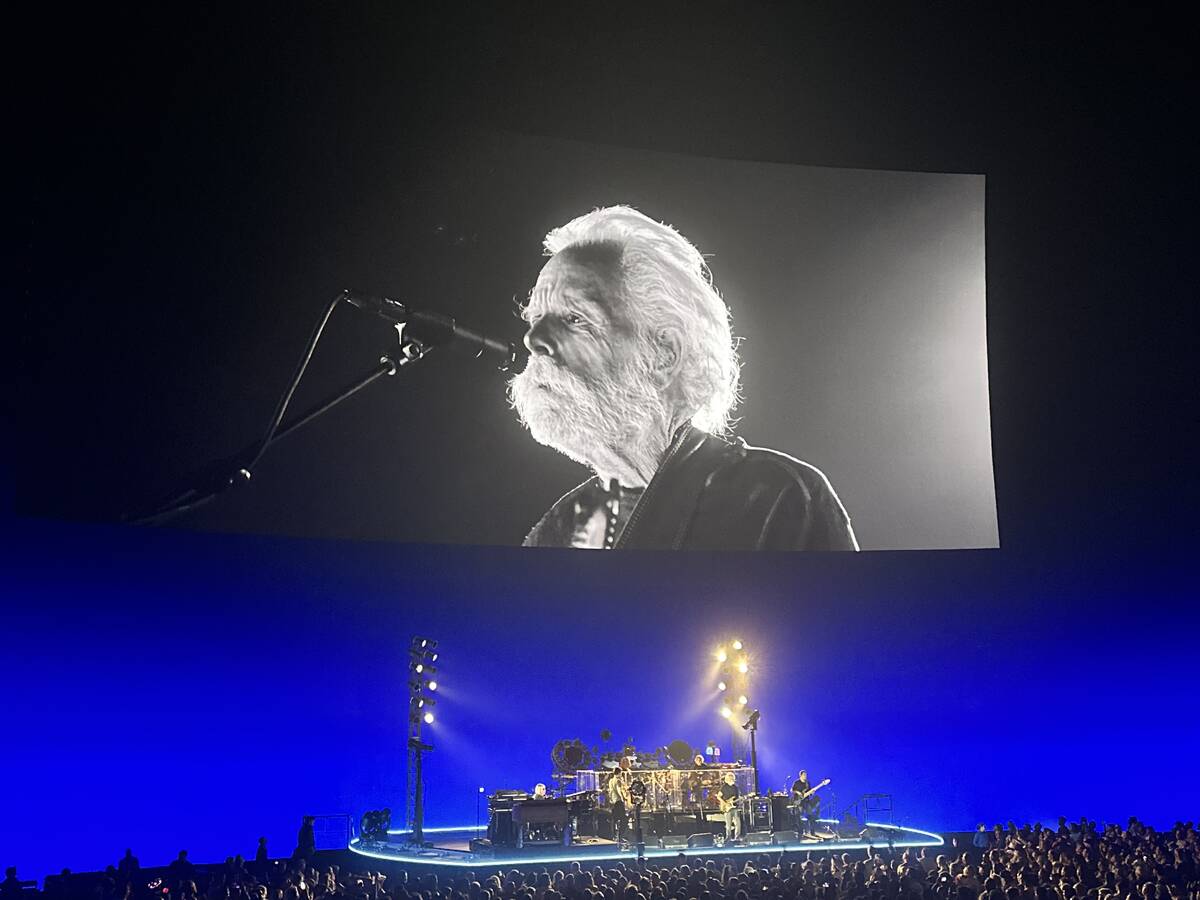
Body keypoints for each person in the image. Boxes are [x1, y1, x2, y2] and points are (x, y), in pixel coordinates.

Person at [509, 205, 859, 552]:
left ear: (664, 355)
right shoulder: (555, 532)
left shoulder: (777, 498)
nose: (532, 338)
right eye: (535, 318)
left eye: (574, 318)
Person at [718, 772, 741, 842]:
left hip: (735, 807)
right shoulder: (724, 787)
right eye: (731, 778)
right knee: (728, 824)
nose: (732, 780)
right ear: (728, 779)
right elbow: (718, 796)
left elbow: (737, 797)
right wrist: (725, 803)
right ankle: (728, 837)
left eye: (733, 778)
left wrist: (740, 799)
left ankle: (737, 837)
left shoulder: (735, 788)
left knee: (738, 823)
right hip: (727, 808)